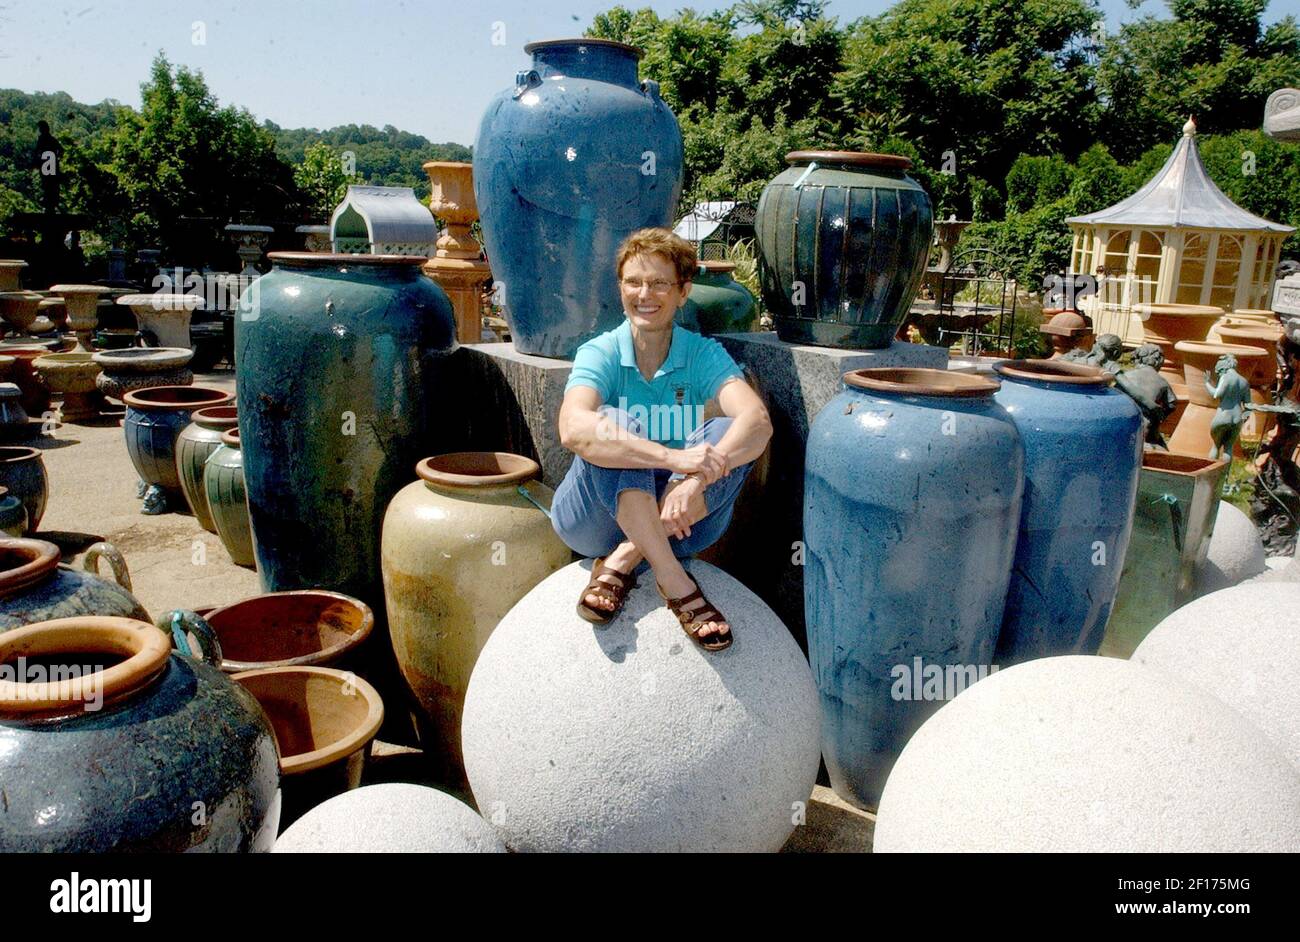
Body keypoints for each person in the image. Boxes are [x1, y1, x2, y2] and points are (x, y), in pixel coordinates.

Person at [551, 228, 773, 651]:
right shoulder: (599, 352)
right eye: (633, 282)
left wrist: (694, 480)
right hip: (593, 519)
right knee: (613, 423)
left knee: (731, 430)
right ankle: (674, 581)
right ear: (620, 288)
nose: (644, 294)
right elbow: (573, 428)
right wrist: (674, 459)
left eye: (659, 283)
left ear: (683, 291)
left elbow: (757, 421)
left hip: (686, 516)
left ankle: (627, 557)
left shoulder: (702, 354)